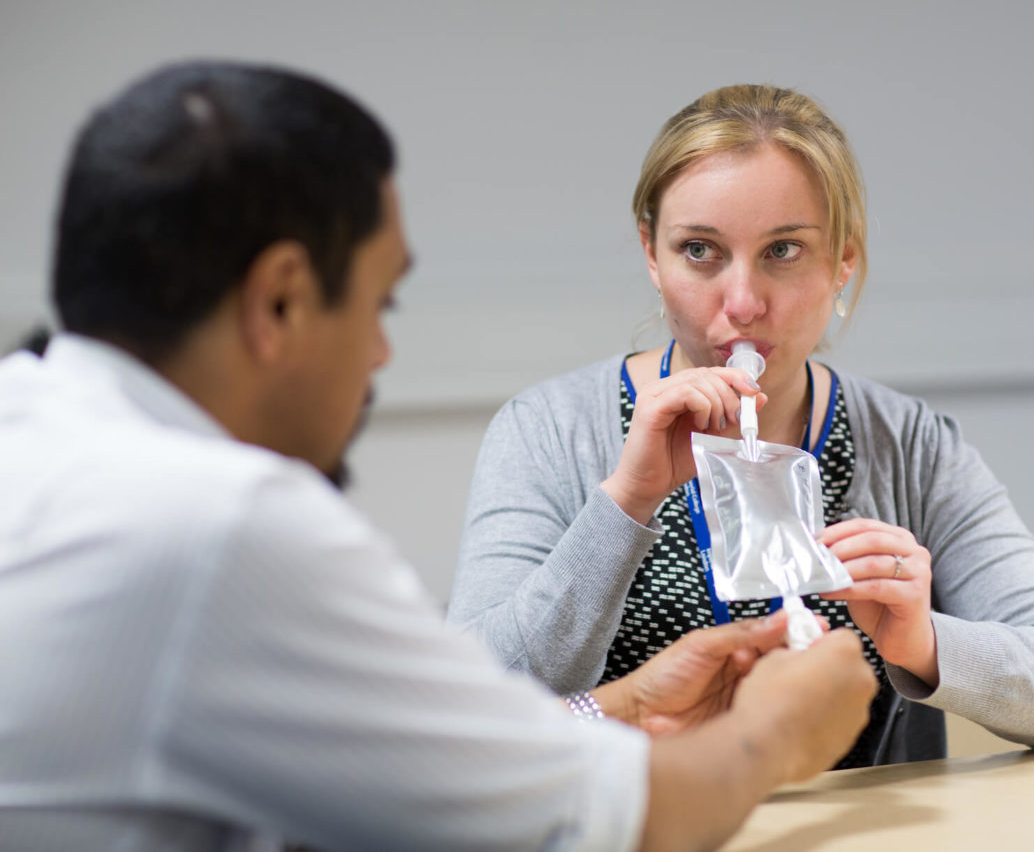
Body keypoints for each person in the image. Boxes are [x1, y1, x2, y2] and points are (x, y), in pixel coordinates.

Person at [0, 63, 879, 851]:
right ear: (280, 302)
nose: (381, 355)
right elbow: (596, 823)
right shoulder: (220, 526)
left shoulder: (33, 433)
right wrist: (772, 735)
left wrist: (624, 705)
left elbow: (402, 761)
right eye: (380, 304)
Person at [448, 83, 1034, 766]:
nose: (741, 303)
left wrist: (924, 642)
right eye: (700, 250)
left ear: (843, 262)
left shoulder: (909, 442)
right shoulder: (548, 430)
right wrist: (624, 501)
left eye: (783, 251)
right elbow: (470, 713)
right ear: (652, 253)